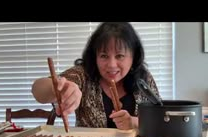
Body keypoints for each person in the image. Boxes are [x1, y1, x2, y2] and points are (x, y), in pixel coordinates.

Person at [31, 22, 160, 130]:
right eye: (104, 56)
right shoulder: (83, 74)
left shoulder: (144, 79)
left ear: (133, 56)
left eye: (119, 56)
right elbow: (38, 90)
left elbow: (160, 121)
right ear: (95, 57)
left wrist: (134, 123)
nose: (112, 65)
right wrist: (56, 89)